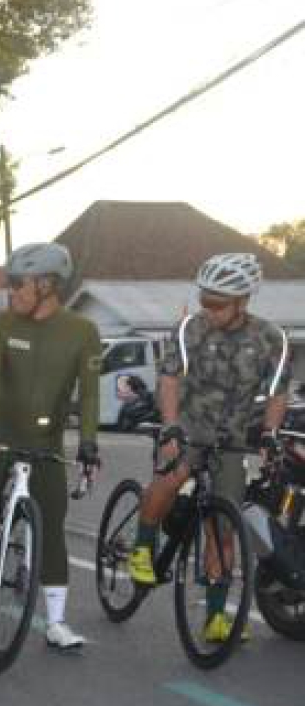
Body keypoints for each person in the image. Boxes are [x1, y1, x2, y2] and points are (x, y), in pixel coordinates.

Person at [0, 243, 101, 652]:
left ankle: (57, 622)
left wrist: (89, 444)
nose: (12, 292)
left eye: (18, 284)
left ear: (46, 285)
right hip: (2, 435)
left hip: (46, 442)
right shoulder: (5, 323)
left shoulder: (82, 331)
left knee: (53, 534)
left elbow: (92, 394)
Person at [128, 253, 290, 643]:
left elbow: (277, 394)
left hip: (230, 439)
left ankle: (217, 616)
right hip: (186, 429)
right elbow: (169, 379)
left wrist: (269, 433)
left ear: (243, 300)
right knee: (176, 472)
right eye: (205, 300)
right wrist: (170, 428)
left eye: (218, 303)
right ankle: (142, 547)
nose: (209, 309)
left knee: (224, 527)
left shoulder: (271, 338)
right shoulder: (191, 330)